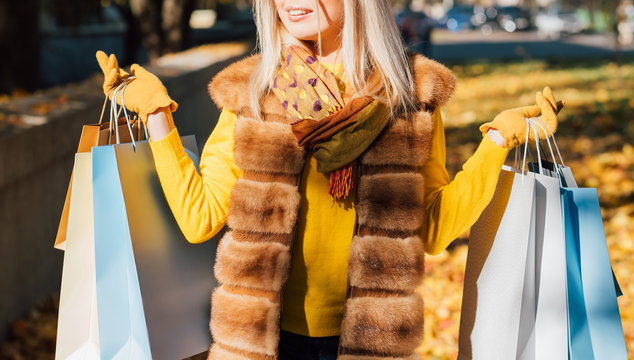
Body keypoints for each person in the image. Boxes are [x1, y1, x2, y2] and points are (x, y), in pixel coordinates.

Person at [96, 0, 563, 359]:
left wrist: (498, 139)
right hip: (263, 341)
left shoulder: (409, 97)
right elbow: (200, 219)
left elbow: (434, 230)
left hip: (369, 338)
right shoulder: (253, 95)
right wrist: (157, 116)